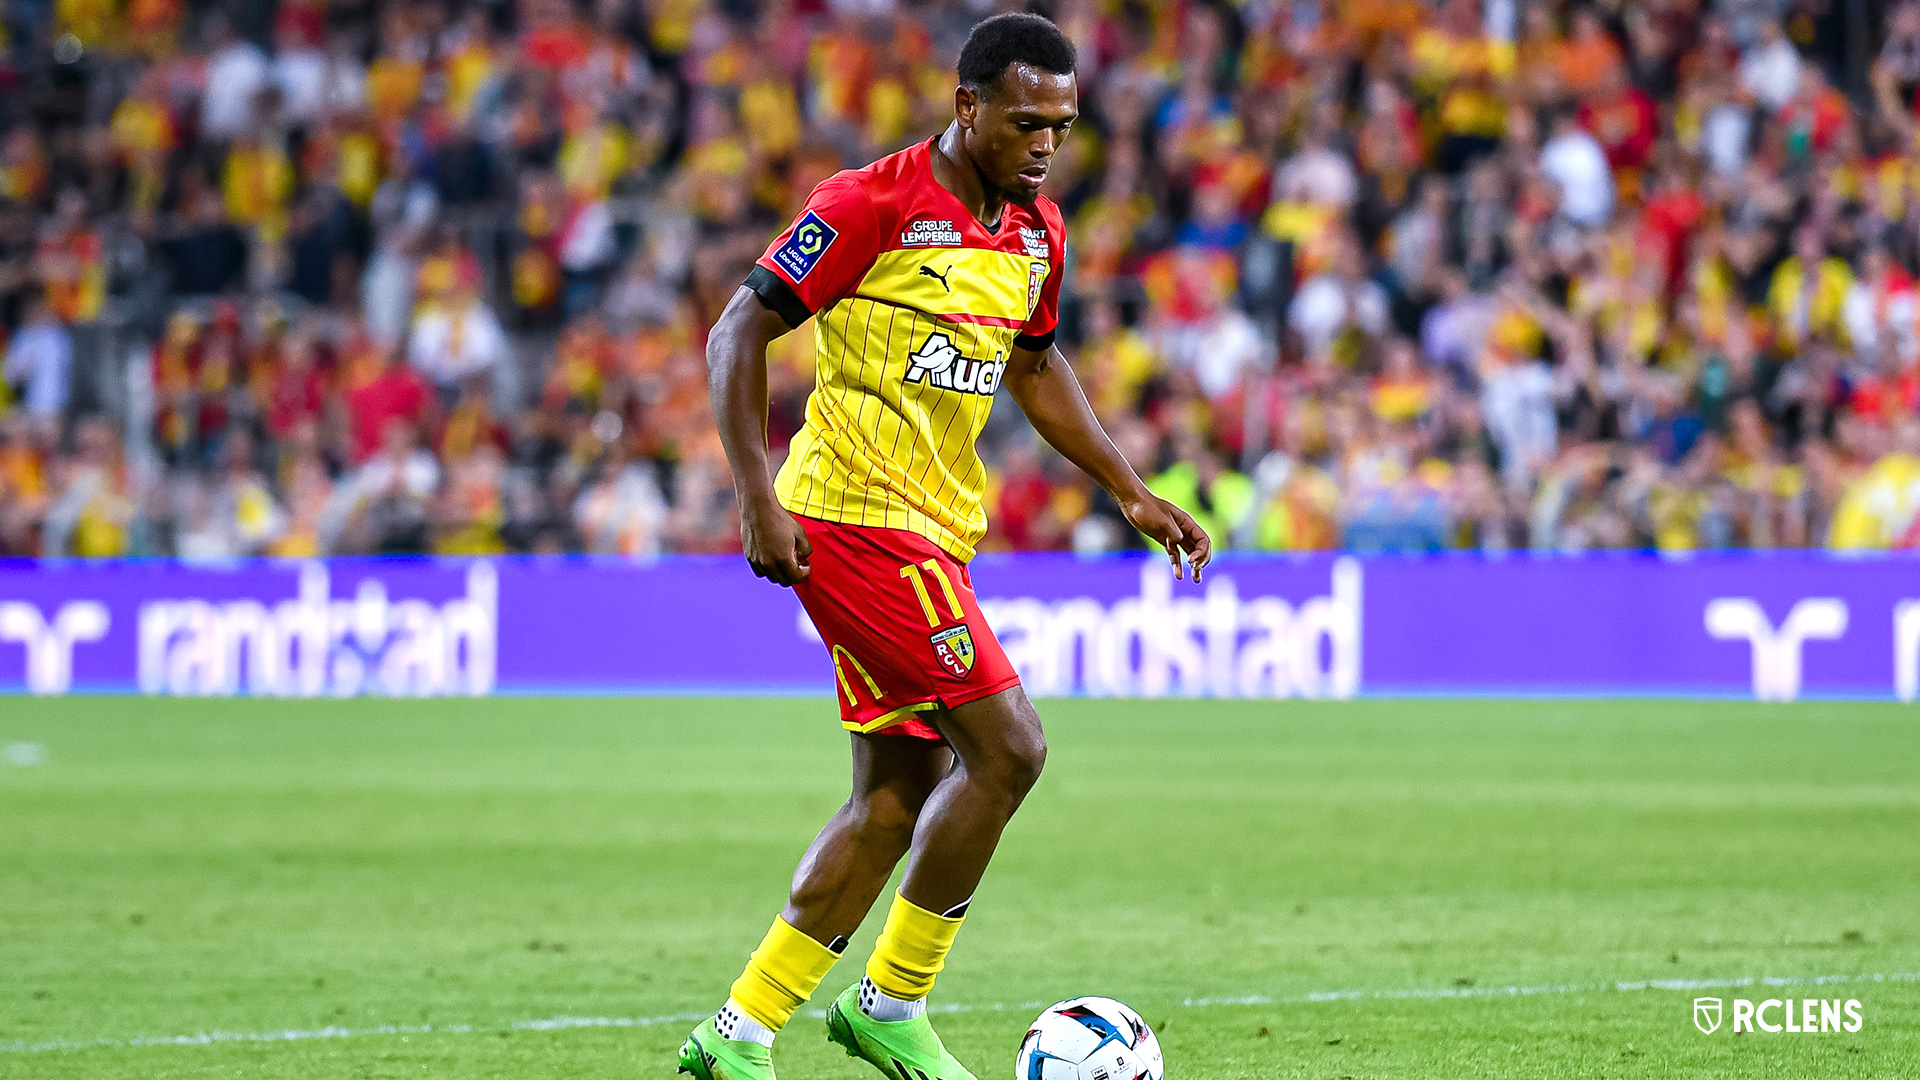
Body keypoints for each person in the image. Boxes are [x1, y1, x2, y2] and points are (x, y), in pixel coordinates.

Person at [685, 14, 1211, 1080]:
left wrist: (1128, 488)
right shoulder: (869, 202)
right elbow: (740, 327)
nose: (1046, 144)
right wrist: (755, 494)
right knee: (1010, 749)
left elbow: (1032, 367)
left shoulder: (1035, 235)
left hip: (934, 529)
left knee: (896, 792)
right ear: (967, 106)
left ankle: (736, 1036)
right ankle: (890, 1002)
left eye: (1061, 126)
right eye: (1026, 122)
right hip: (851, 519)